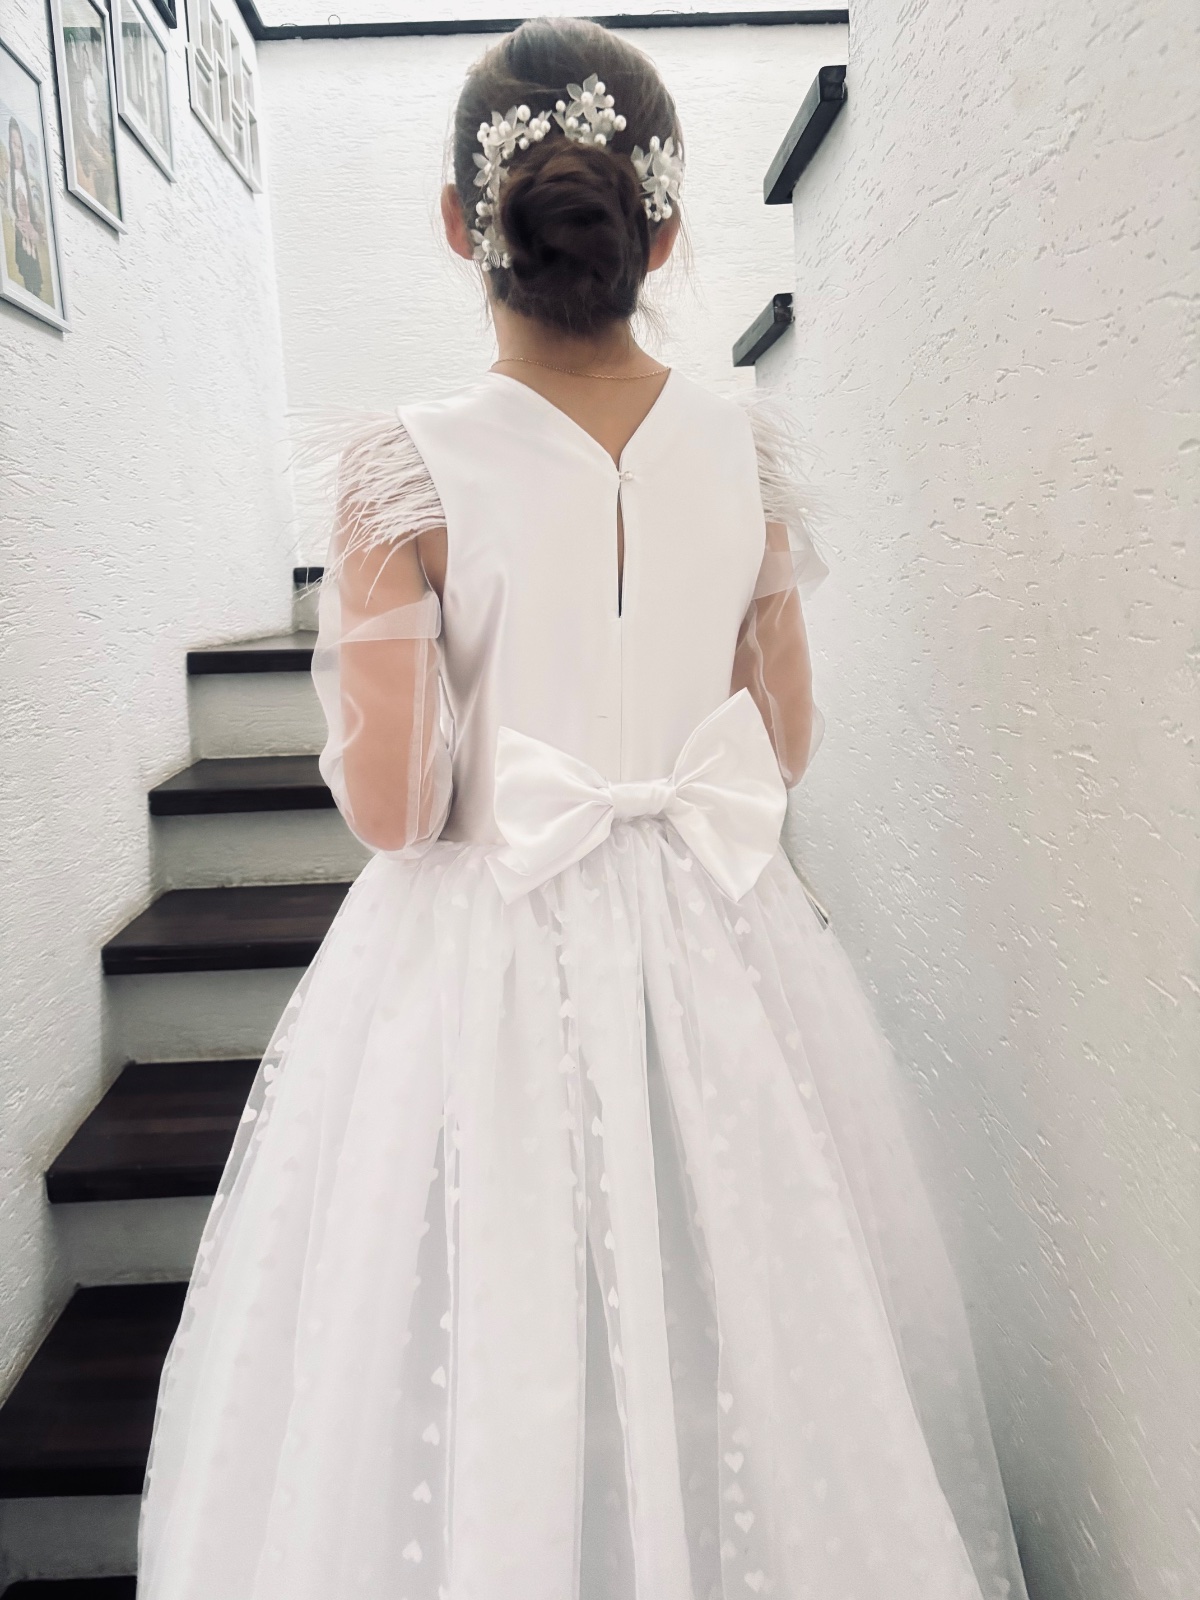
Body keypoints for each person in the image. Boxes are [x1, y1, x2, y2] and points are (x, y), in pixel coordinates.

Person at [137, 18, 1030, 1599]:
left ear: (458, 222)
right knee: (743, 1309)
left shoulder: (399, 473)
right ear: (662, 234)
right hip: (718, 944)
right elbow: (786, 744)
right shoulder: (748, 447)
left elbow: (399, 811)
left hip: (484, 949)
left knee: (485, 1321)